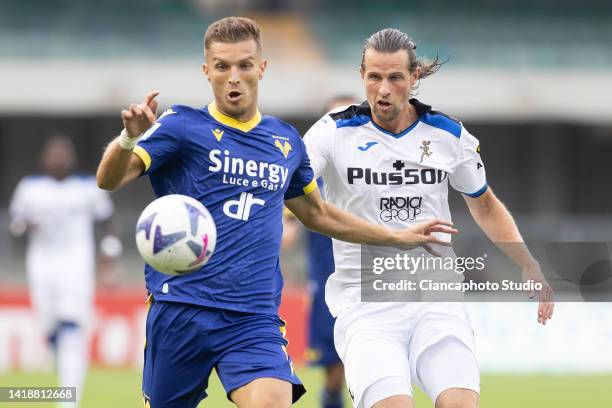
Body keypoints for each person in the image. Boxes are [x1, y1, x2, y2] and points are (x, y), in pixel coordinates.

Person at [96, 17, 456, 408]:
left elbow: (318, 214)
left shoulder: (284, 142)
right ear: (207, 71)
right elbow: (109, 179)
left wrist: (397, 237)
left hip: (253, 318)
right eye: (222, 66)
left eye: (244, 65)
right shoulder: (182, 126)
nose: (234, 77)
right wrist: (129, 138)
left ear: (261, 68)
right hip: (181, 310)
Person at [303, 28, 555, 408]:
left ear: (414, 77)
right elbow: (295, 190)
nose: (383, 89)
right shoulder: (333, 132)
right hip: (365, 305)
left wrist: (526, 261)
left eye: (395, 77)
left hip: (436, 298)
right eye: (374, 77)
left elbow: (484, 204)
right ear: (362, 76)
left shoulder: (447, 134)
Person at [9, 135, 119, 406]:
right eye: (54, 153)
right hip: (41, 266)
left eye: (64, 153)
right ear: (44, 158)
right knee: (51, 328)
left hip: (75, 265)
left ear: (72, 158)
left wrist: (108, 253)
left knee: (72, 327)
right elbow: (16, 225)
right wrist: (24, 227)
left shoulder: (87, 187)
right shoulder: (30, 188)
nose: (59, 158)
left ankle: (69, 400)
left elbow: (106, 219)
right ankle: (64, 365)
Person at [283, 95, 358, 408]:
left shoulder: (372, 173)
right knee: (334, 374)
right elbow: (286, 233)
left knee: (371, 369)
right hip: (327, 289)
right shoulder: (310, 179)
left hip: (374, 287)